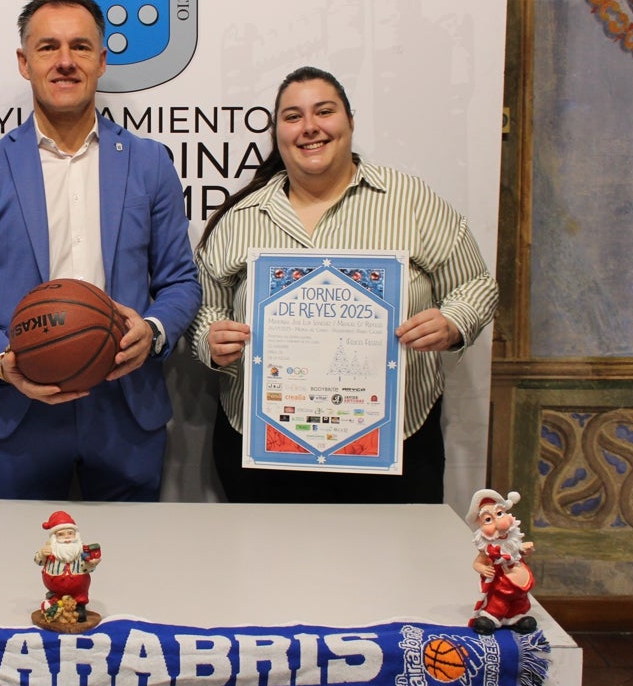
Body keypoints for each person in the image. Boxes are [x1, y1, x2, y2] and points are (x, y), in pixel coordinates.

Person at [0, 0, 200, 501]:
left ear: (102, 61)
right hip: (19, 410)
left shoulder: (150, 162)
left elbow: (179, 281)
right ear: (24, 62)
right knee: (16, 567)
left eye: (80, 47)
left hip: (127, 408)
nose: (64, 62)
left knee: (134, 565)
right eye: (47, 47)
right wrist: (1, 360)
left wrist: (155, 329)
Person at [189, 66, 498, 503]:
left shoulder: (410, 201)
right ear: (277, 132)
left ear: (349, 121)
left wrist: (451, 323)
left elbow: (477, 284)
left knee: (392, 571)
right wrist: (210, 339)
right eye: (293, 116)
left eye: (324, 111)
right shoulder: (242, 218)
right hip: (263, 451)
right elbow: (206, 306)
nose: (310, 127)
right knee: (266, 569)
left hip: (394, 446)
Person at [467, 489, 537, 634]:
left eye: (499, 514)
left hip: (520, 583)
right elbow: (477, 563)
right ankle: (491, 618)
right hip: (501, 583)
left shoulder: (512, 540)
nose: (499, 523)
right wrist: (483, 569)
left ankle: (518, 618)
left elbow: (516, 550)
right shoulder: (487, 548)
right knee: (498, 602)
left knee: (520, 602)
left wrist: (525, 549)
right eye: (488, 519)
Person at [34, 510, 100, 622]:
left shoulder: (81, 551)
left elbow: (88, 567)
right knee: (54, 604)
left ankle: (79, 606)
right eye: (61, 534)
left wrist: (92, 564)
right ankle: (55, 604)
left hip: (78, 589)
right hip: (55, 588)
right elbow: (38, 561)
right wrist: (41, 554)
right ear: (54, 537)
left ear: (76, 535)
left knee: (80, 612)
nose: (67, 537)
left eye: (70, 533)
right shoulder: (51, 550)